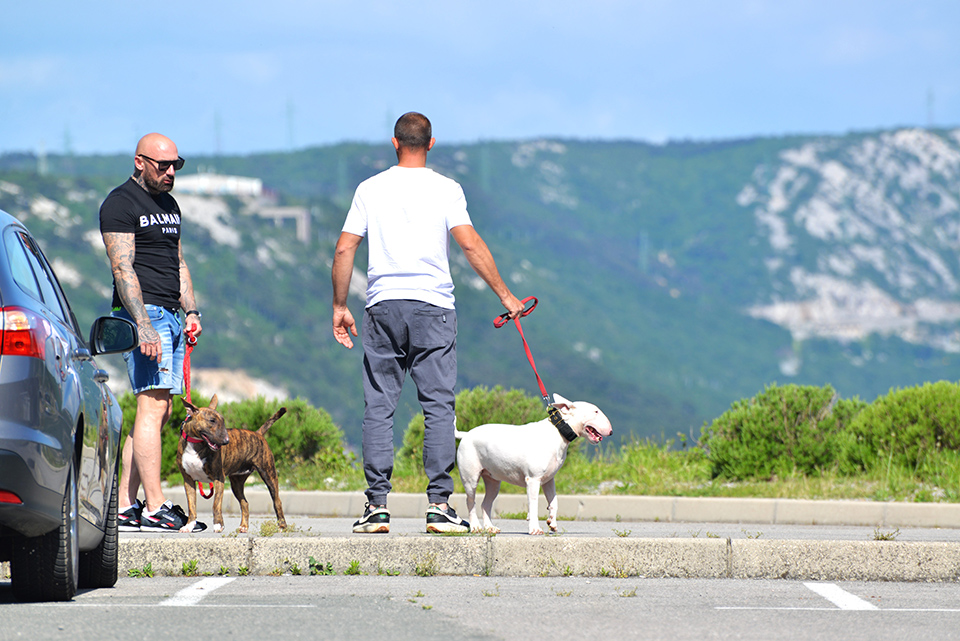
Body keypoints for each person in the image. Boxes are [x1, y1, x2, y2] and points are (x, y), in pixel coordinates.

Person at [332, 112, 525, 534]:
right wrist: (506, 297)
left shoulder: (370, 189)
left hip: (382, 306)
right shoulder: (446, 189)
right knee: (438, 406)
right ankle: (439, 505)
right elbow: (470, 244)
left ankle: (376, 507)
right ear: (431, 144)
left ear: (395, 143)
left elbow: (345, 249)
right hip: (434, 307)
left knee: (379, 407)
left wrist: (340, 305)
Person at [99, 133, 203, 532]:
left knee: (161, 409)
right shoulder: (120, 203)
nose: (171, 172)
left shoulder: (170, 205)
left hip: (172, 314)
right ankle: (156, 506)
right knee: (152, 406)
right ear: (140, 162)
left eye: (176, 164)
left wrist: (190, 310)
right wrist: (143, 324)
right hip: (146, 315)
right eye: (163, 165)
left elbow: (178, 262)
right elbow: (121, 267)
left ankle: (125, 505)